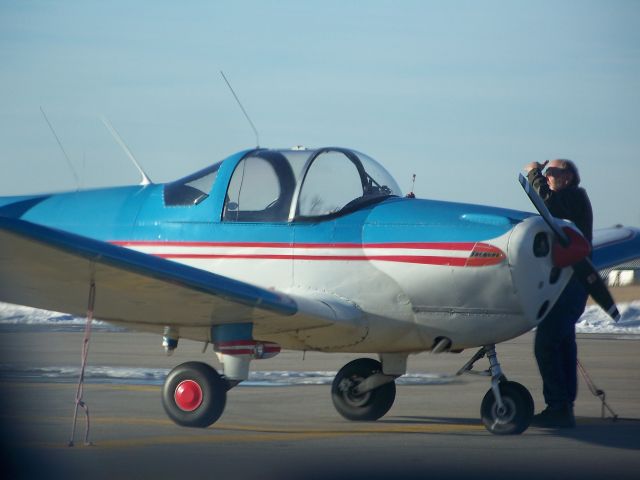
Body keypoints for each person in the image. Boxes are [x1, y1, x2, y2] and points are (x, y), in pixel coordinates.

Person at [523, 159, 593, 428]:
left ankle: (559, 407)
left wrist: (532, 175)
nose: (547, 176)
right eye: (545, 173)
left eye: (550, 172)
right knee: (563, 344)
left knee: (547, 344)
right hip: (568, 283)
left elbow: (547, 207)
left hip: (569, 285)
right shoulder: (572, 199)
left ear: (567, 177)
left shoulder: (572, 197)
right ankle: (563, 407)